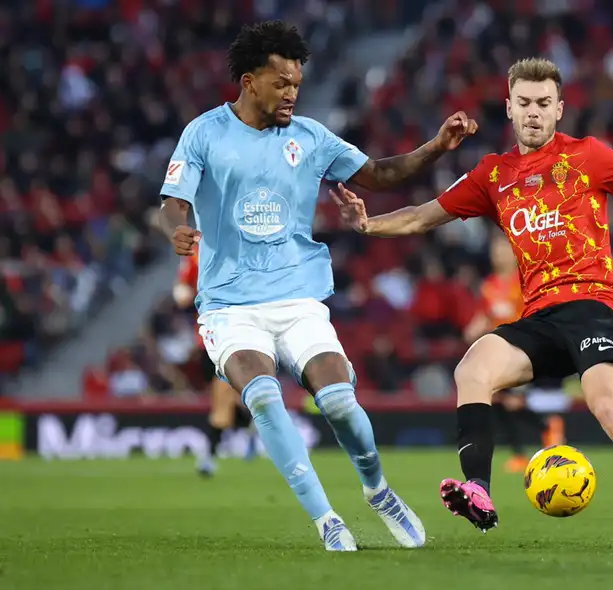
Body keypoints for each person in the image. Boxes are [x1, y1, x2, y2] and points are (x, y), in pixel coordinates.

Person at [331, 58, 613, 551]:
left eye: (543, 104)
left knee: (606, 401)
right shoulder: (493, 174)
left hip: (595, 304)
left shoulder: (588, 156)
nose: (533, 113)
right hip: (540, 317)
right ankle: (479, 489)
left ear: (559, 109)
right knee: (474, 367)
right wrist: (368, 224)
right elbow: (421, 218)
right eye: (524, 104)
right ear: (509, 108)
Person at [158, 20, 478, 552]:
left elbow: (378, 172)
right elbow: (172, 200)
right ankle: (326, 518)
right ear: (248, 81)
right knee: (262, 396)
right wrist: (179, 230)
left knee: (338, 403)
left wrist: (436, 148)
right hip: (230, 305)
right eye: (281, 82)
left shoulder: (310, 137)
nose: (291, 93)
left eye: (297, 85)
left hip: (298, 297)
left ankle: (378, 490)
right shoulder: (204, 133)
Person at [463, 232, 550, 473]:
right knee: (500, 401)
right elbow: (485, 316)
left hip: (520, 349)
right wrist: (473, 329)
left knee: (511, 402)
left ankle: (544, 428)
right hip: (497, 351)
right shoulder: (489, 285)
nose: (498, 255)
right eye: (495, 250)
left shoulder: (523, 281)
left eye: (503, 250)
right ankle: (524, 449)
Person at [173, 245, 257, 477]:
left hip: (235, 337)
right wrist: (183, 293)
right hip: (207, 338)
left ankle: (208, 456)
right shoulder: (196, 253)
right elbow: (182, 288)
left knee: (222, 400)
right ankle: (250, 422)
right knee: (227, 400)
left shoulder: (242, 249)